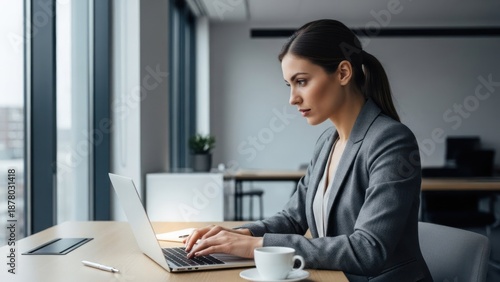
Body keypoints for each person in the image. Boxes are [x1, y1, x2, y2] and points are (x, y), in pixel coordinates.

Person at [184, 19, 433, 281]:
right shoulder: (327, 142)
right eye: (289, 85)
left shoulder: (391, 141)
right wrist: (240, 234)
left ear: (343, 73)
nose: (293, 98)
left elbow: (368, 249)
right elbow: (293, 218)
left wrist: (257, 246)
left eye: (301, 81)